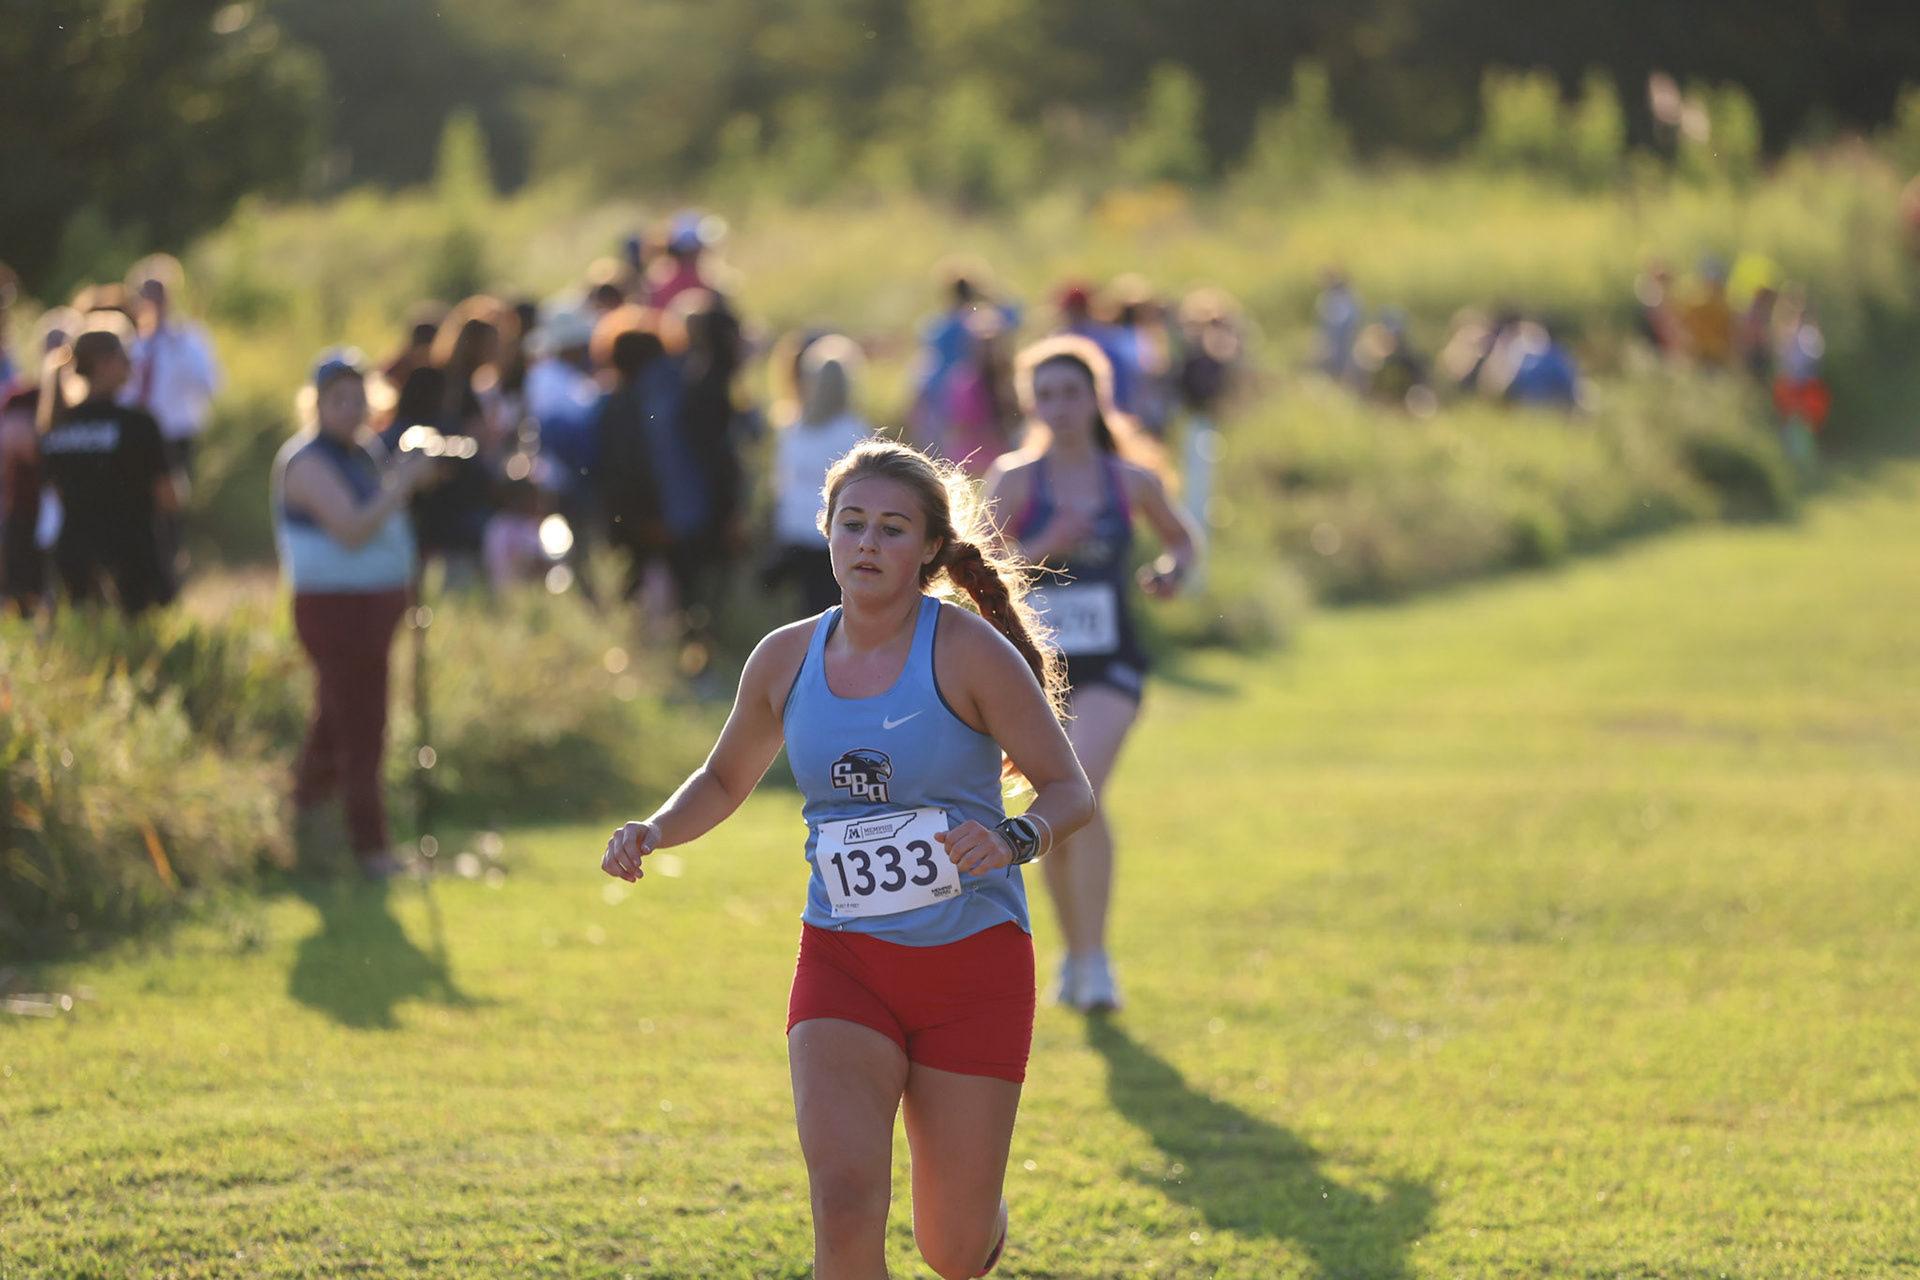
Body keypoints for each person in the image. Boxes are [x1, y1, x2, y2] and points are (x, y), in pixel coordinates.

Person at [601, 438, 1096, 1280]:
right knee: (843, 1200)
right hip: (844, 962)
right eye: (852, 524)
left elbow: (1068, 790)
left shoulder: (970, 653)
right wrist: (654, 828)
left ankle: (977, 1213)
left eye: (893, 529)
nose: (868, 544)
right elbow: (724, 777)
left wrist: (1014, 839)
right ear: (826, 533)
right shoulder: (785, 657)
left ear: (930, 547)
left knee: (953, 1248)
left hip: (971, 968)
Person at [984, 335, 1202, 1011]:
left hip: (1112, 666)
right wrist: (1046, 544)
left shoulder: (1128, 480)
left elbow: (1183, 540)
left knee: (1079, 788)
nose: (1060, 406)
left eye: (1071, 392)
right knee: (1062, 805)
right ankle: (1079, 957)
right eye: (1045, 394)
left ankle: (1096, 959)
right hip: (1038, 673)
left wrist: (1170, 573)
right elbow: (977, 573)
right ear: (1030, 403)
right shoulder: (1016, 479)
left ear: (1097, 398)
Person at [273, 349, 440, 880]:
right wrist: (404, 480)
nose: (350, 409)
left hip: (373, 604)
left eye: (357, 397)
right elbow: (352, 529)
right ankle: (371, 849)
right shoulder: (306, 461)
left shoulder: (361, 452)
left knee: (335, 721)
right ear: (316, 404)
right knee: (363, 726)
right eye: (337, 400)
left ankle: (306, 828)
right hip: (336, 606)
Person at [36, 318, 178, 614]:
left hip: (73, 557)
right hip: (131, 558)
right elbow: (168, 497)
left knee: (88, 649)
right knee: (136, 651)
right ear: (102, 363)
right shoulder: (138, 425)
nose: (130, 365)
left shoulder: (56, 425)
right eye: (123, 356)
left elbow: (58, 492)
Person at [764, 335, 875, 618]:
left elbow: (782, 482)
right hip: (835, 531)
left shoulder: (793, 427)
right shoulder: (853, 429)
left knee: (807, 609)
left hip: (795, 530)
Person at [124, 255, 222, 576]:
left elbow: (210, 383)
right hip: (137, 436)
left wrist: (176, 347)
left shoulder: (190, 339)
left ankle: (172, 567)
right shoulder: (132, 343)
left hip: (175, 436)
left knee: (172, 508)